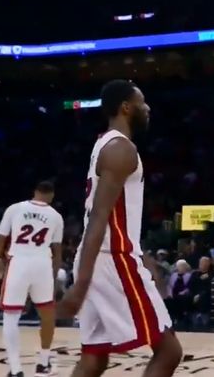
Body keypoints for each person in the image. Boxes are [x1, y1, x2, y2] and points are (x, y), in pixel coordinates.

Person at [59, 79, 182, 377]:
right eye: (142, 102)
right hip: (112, 259)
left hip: (101, 257)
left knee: (94, 359)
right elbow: (100, 217)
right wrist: (80, 286)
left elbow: (113, 218)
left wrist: (143, 258)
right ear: (126, 107)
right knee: (169, 351)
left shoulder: (104, 144)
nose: (147, 108)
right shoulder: (121, 149)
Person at [0, 181, 64, 377]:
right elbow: (57, 252)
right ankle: (43, 363)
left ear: (35, 192)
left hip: (19, 262)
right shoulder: (56, 216)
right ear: (52, 195)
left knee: (11, 316)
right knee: (47, 314)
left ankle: (16, 369)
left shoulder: (15, 208)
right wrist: (54, 278)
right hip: (42, 264)